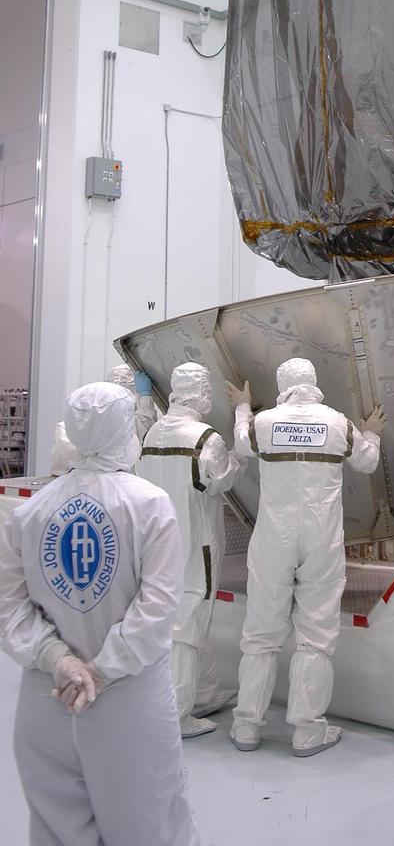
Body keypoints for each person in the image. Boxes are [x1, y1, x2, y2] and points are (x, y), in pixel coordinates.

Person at [0, 382, 200, 846]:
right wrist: (101, 670)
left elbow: (8, 610)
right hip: (127, 704)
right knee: (149, 828)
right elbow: (158, 609)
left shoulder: (30, 514)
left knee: (57, 830)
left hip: (48, 698)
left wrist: (60, 661)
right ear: (124, 428)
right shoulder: (149, 505)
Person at [228, 357, 386, 756]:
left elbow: (242, 445)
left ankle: (246, 725)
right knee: (315, 632)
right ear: (314, 383)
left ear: (282, 384)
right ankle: (307, 730)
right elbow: (367, 462)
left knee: (261, 630)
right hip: (321, 537)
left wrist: (243, 405)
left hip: (272, 537)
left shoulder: (263, 423)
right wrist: (372, 432)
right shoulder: (337, 423)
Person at [137, 361, 244, 738]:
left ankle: (200, 693)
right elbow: (222, 481)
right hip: (195, 545)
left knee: (170, 623)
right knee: (187, 625)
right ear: (198, 392)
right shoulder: (205, 438)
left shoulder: (151, 435)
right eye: (208, 390)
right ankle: (177, 715)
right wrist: (239, 456)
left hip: (156, 545)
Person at [48, 365, 156, 477]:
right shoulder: (124, 430)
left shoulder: (65, 429)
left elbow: (59, 471)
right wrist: (144, 396)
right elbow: (145, 423)